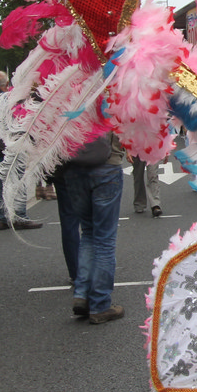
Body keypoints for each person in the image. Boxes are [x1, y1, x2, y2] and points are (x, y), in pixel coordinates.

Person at [55, 133, 127, 322]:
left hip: (73, 166)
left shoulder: (65, 109)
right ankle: (100, 304)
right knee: (105, 240)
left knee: (88, 233)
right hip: (106, 165)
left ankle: (82, 294)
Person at [0, 70, 42, 230]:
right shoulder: (3, 101)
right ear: (6, 85)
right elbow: (8, 126)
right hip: (8, 148)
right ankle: (19, 216)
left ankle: (1, 217)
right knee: (17, 181)